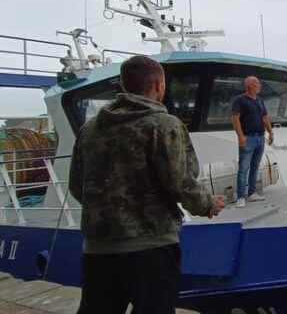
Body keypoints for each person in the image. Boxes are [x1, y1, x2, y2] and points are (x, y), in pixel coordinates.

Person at [69, 55, 226, 314]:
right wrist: (208, 203)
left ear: (124, 84)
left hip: (98, 248)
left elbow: (78, 186)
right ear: (158, 86)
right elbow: (180, 181)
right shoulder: (164, 125)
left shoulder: (90, 129)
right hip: (150, 248)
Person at [231, 76, 274, 208]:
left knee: (255, 167)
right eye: (257, 83)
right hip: (248, 138)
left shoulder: (260, 101)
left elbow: (265, 117)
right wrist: (240, 136)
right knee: (244, 168)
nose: (260, 85)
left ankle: (251, 193)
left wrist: (270, 132)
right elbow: (235, 118)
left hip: (260, 138)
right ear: (249, 85)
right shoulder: (240, 100)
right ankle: (240, 197)